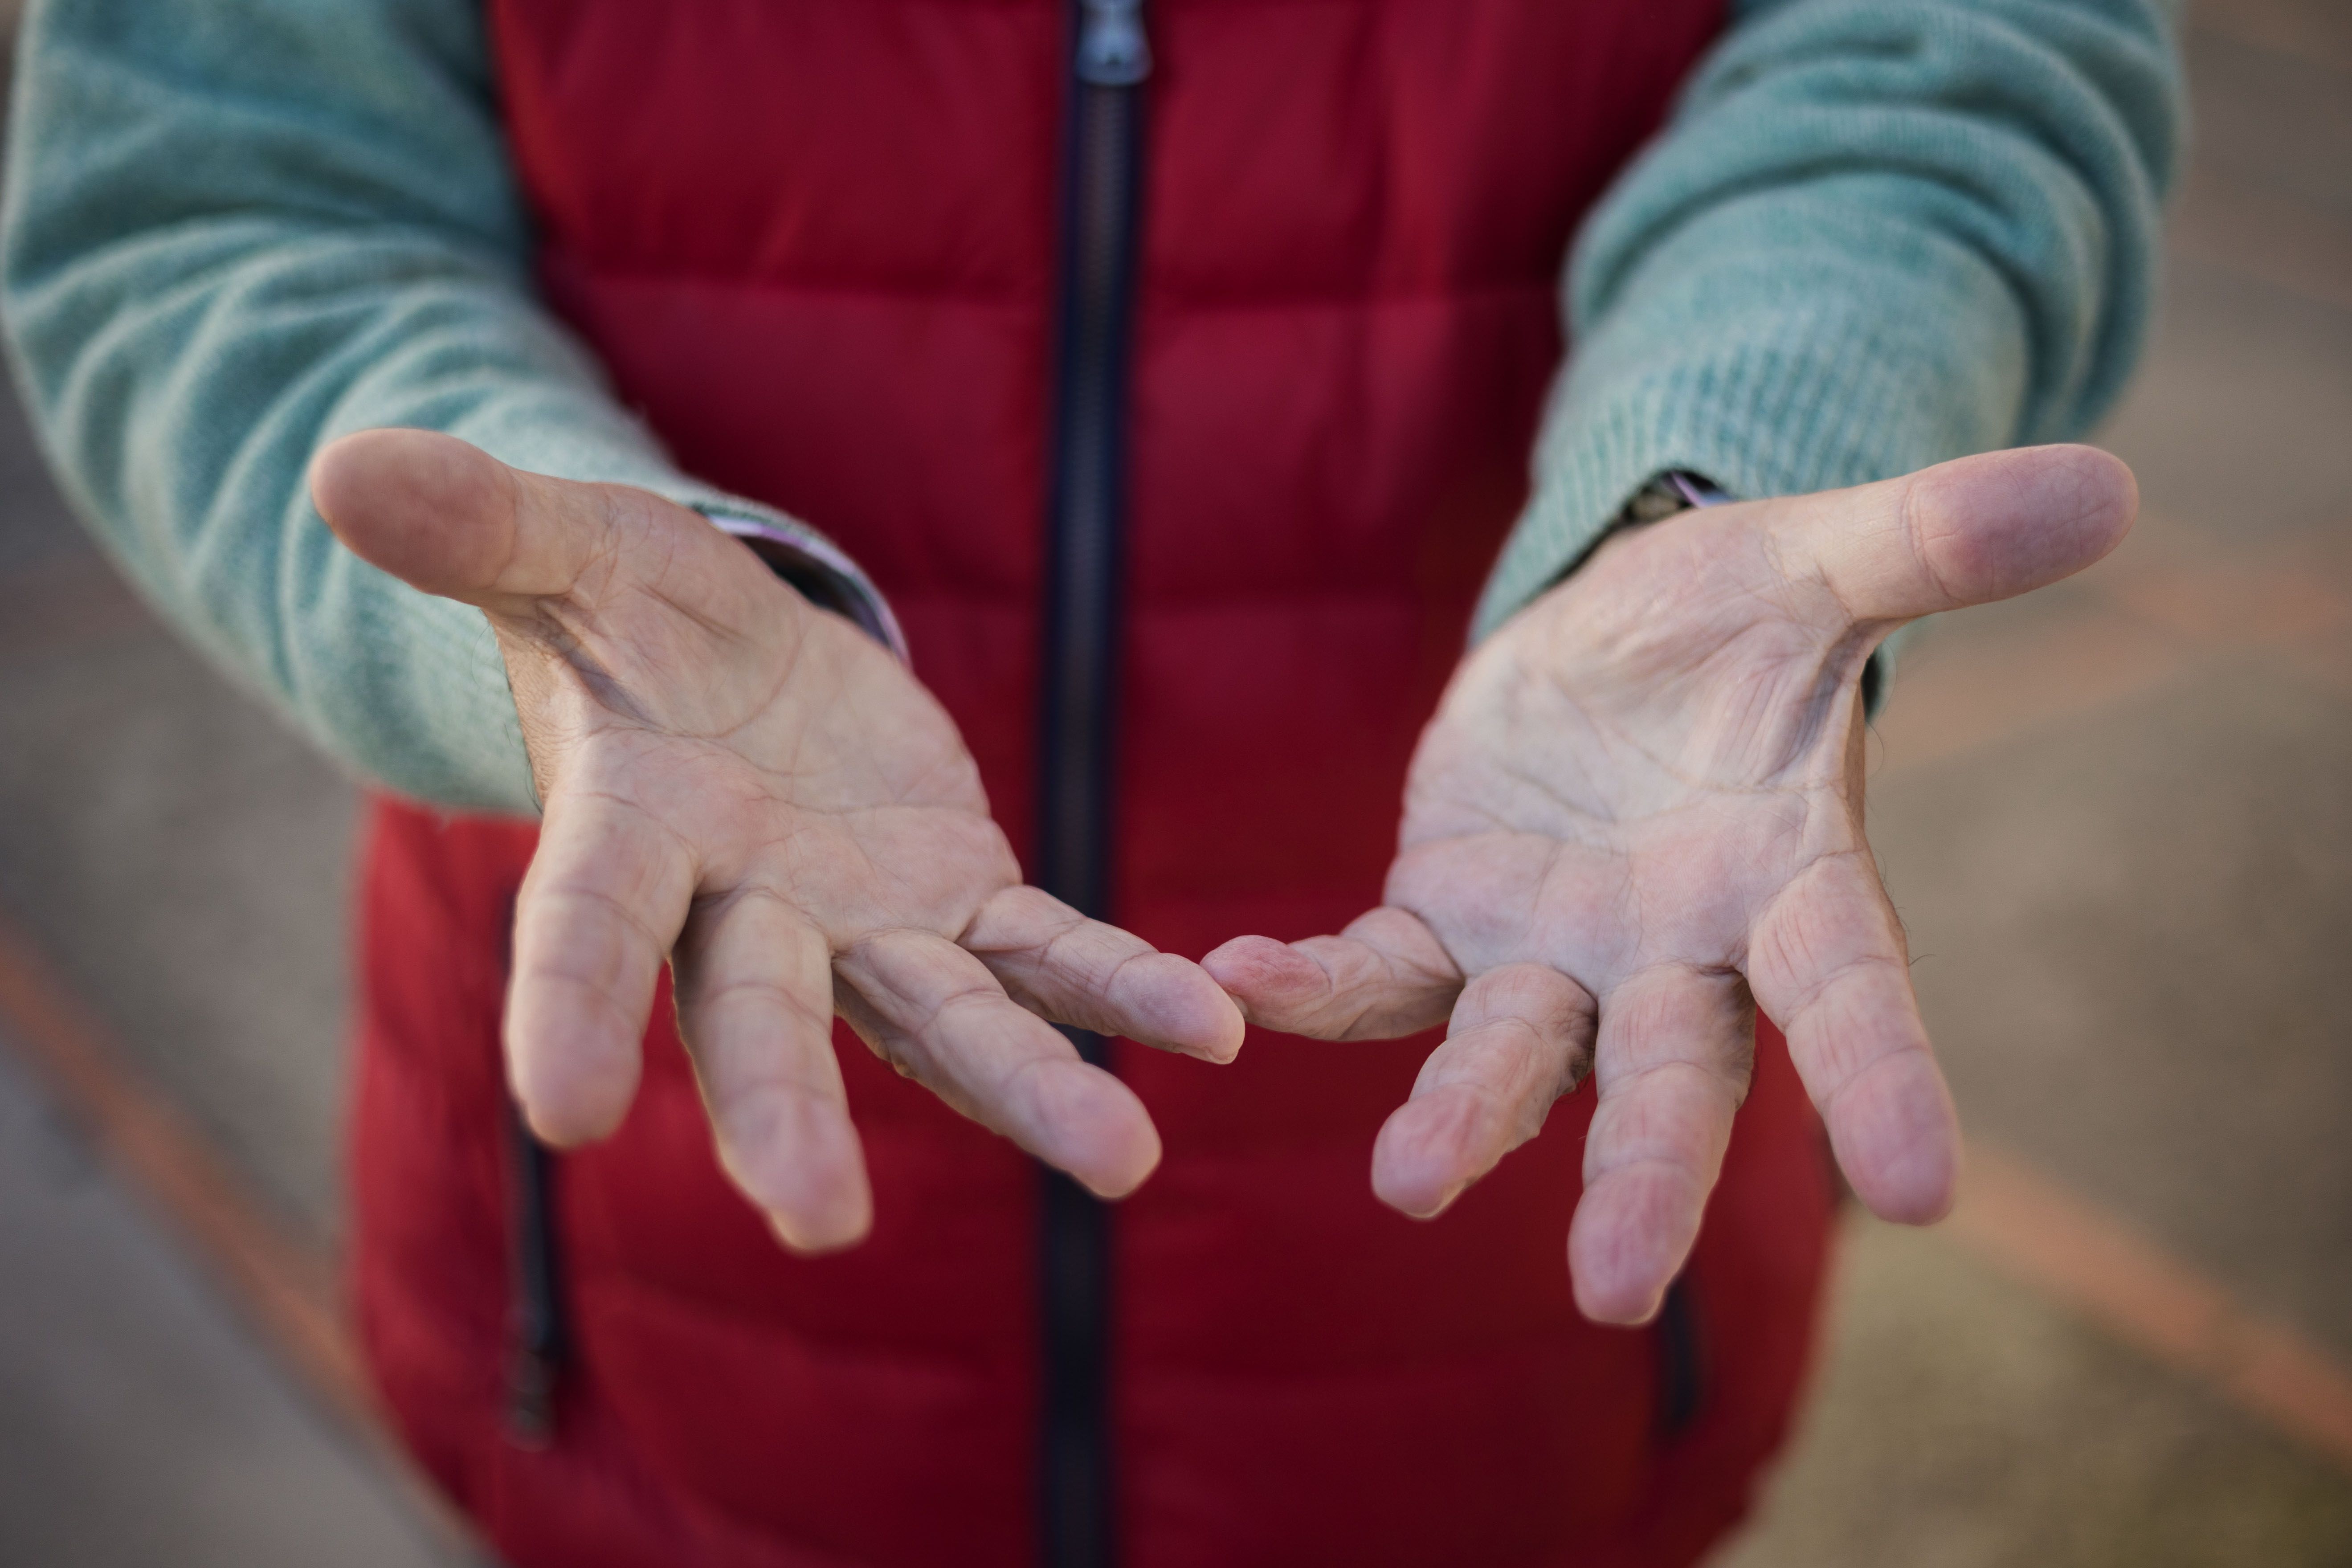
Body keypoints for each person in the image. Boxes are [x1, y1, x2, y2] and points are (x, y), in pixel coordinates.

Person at [0, 0, 2179, 1563]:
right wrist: (544, 612)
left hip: (1502, 1266)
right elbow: (219, 179)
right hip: (657, 1269)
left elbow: (1938, 51)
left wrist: (1722, 463)